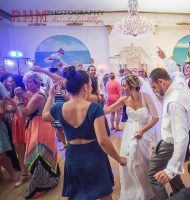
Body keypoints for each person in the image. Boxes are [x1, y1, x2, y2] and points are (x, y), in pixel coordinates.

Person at [42, 66, 126, 200]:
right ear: (86, 87)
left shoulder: (59, 108)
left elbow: (45, 116)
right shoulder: (94, 108)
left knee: (79, 195)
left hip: (73, 157)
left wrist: (51, 96)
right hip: (94, 155)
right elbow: (103, 141)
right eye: (91, 85)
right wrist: (119, 159)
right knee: (104, 195)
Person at [104, 74, 161, 200]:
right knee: (128, 159)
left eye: (124, 85)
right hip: (129, 132)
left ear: (132, 85)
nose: (122, 88)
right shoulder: (124, 99)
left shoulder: (146, 97)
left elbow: (156, 117)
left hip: (143, 132)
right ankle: (131, 189)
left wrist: (142, 130)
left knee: (141, 160)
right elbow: (108, 110)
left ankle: (145, 189)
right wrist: (91, 107)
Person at [148, 67, 190, 200]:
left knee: (153, 175)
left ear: (161, 82)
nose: (154, 91)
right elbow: (177, 72)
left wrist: (171, 168)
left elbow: (181, 138)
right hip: (170, 142)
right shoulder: (179, 83)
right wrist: (165, 58)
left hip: (170, 144)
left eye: (154, 87)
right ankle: (180, 195)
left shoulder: (174, 102)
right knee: (174, 174)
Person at [15, 71, 60, 199]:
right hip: (40, 125)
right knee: (41, 154)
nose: (26, 84)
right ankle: (49, 178)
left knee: (38, 155)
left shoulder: (39, 96)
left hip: (39, 127)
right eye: (25, 82)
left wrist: (18, 97)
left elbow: (24, 112)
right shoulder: (41, 92)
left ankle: (40, 185)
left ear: (36, 82)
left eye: (28, 82)